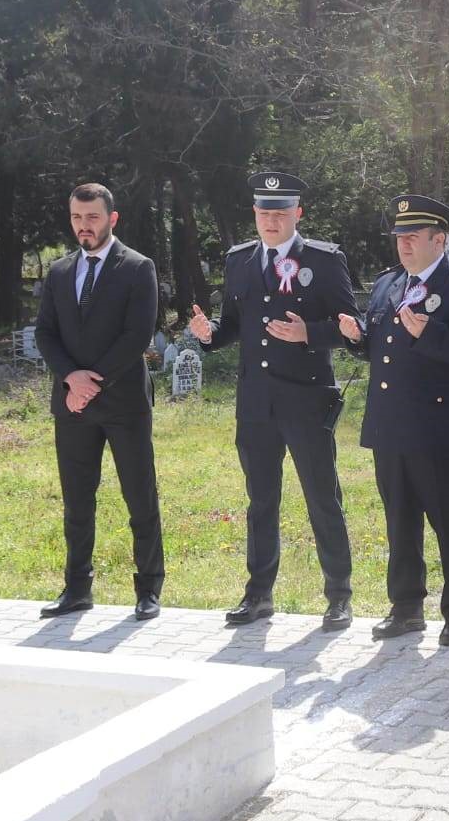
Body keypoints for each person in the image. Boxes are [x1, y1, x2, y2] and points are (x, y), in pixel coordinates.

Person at [189, 172, 358, 630]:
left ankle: (338, 595)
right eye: (264, 212)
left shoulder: (323, 260)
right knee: (260, 500)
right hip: (256, 403)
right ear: (255, 215)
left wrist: (310, 334)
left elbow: (351, 327)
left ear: (297, 213)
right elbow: (232, 324)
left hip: (306, 399)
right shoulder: (240, 260)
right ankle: (259, 594)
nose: (271, 220)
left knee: (322, 498)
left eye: (280, 212)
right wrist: (208, 336)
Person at [338, 195, 449, 645]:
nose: (403, 246)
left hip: (439, 426)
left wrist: (430, 334)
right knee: (399, 520)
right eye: (399, 238)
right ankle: (406, 606)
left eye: (413, 237)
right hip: (391, 425)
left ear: (438, 240)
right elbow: (382, 349)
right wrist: (356, 339)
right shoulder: (389, 283)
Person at [34, 184, 166, 622]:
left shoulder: (137, 267)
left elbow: (137, 335)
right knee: (77, 500)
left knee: (139, 496)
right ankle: (77, 588)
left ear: (112, 219)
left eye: (92, 217)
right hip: (72, 404)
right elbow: (45, 334)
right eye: (76, 218)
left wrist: (95, 382)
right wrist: (71, 379)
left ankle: (148, 588)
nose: (83, 226)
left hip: (124, 402)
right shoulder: (58, 271)